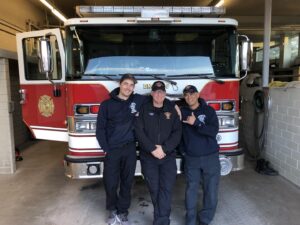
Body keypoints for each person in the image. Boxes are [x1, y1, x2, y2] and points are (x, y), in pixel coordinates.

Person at [96, 74, 144, 225]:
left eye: (131, 85)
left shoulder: (138, 100)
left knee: (127, 181)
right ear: (120, 84)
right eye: (126, 84)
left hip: (129, 148)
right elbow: (100, 129)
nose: (128, 87)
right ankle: (112, 210)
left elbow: (158, 99)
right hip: (113, 150)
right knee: (110, 181)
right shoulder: (106, 105)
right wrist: (106, 148)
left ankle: (123, 211)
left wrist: (174, 106)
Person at [134, 81, 182, 225]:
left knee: (166, 188)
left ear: (165, 94)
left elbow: (177, 132)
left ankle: (162, 220)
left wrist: (164, 149)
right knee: (154, 188)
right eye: (156, 92)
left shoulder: (172, 110)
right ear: (152, 93)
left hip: (168, 156)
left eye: (161, 92)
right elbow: (139, 131)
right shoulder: (143, 109)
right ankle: (160, 219)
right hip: (149, 157)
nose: (159, 94)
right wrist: (152, 148)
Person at [180, 85, 220, 225]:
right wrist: (183, 152)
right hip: (191, 158)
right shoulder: (182, 113)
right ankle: (190, 220)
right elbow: (179, 135)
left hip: (211, 157)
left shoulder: (208, 111)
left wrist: (196, 123)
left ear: (197, 95)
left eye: (192, 94)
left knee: (211, 190)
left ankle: (205, 219)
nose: (189, 97)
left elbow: (213, 131)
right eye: (186, 95)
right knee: (191, 189)